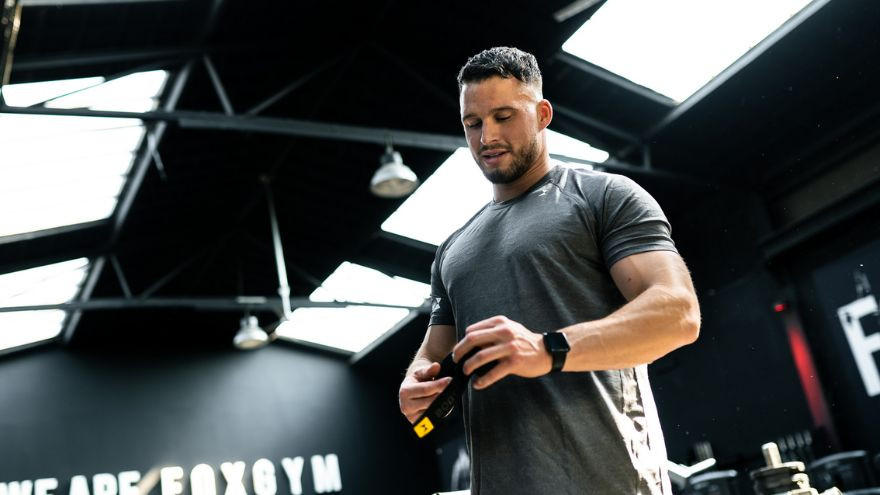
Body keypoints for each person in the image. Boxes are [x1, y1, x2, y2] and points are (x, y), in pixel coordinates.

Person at [397, 46, 701, 495]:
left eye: (504, 116)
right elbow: (433, 356)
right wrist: (416, 385)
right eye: (473, 123)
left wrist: (547, 349)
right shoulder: (452, 250)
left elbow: (678, 314)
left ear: (542, 114)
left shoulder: (602, 196)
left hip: (611, 481)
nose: (487, 137)